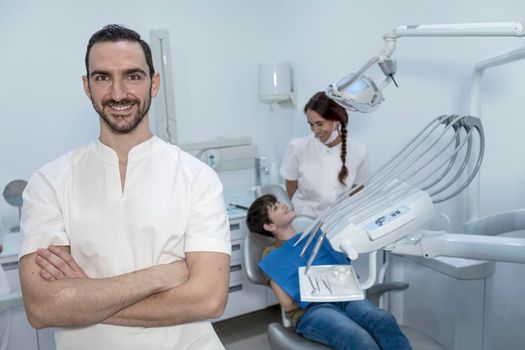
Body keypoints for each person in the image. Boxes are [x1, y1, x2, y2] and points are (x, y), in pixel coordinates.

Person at [18, 24, 231, 350]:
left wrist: (84, 299)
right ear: (87, 86)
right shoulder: (50, 182)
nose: (118, 93)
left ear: (154, 83)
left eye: (133, 76)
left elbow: (208, 300)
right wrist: (162, 276)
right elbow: (43, 307)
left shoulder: (197, 178)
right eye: (103, 77)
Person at [246, 194, 412, 350]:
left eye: (278, 202)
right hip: (311, 311)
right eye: (275, 208)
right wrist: (319, 291)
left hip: (344, 298)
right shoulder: (272, 254)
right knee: (358, 337)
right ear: (269, 226)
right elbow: (288, 303)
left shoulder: (315, 238)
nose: (282, 204)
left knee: (382, 320)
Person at [280, 91, 370, 219]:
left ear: (336, 121)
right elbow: (290, 182)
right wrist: (301, 211)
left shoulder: (358, 151)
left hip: (340, 221)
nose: (315, 131)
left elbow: (358, 188)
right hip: (306, 221)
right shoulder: (298, 147)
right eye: (311, 125)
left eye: (320, 124)